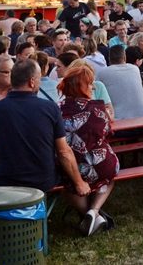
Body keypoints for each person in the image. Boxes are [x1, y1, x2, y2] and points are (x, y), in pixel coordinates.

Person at [0, 60, 89, 199]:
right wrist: (79, 182)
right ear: (32, 81)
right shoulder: (50, 108)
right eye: (39, 79)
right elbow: (63, 151)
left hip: (6, 179)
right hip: (43, 180)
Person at [57, 64, 119, 236]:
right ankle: (94, 211)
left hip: (72, 166)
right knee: (109, 176)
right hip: (102, 164)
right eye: (90, 83)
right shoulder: (98, 108)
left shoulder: (56, 109)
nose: (93, 87)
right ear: (82, 86)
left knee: (67, 184)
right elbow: (107, 132)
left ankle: (89, 215)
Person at [97, 46, 143, 120]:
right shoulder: (135, 69)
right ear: (124, 57)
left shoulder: (102, 73)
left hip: (119, 123)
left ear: (109, 58)